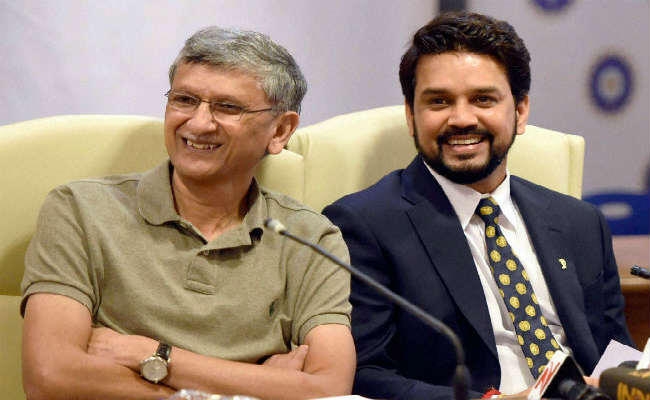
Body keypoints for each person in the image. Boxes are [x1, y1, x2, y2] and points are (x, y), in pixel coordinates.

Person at [21, 27, 355, 400]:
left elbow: (329, 388)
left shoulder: (310, 237)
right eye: (184, 100)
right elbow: (50, 376)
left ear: (280, 130)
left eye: (227, 107)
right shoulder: (79, 210)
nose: (198, 123)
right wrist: (254, 387)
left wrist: (153, 355)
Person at [323, 11, 633, 400]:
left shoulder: (579, 221)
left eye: (482, 99)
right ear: (411, 116)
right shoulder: (362, 225)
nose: (461, 118)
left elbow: (615, 357)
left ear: (520, 111)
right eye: (439, 101)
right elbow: (366, 375)